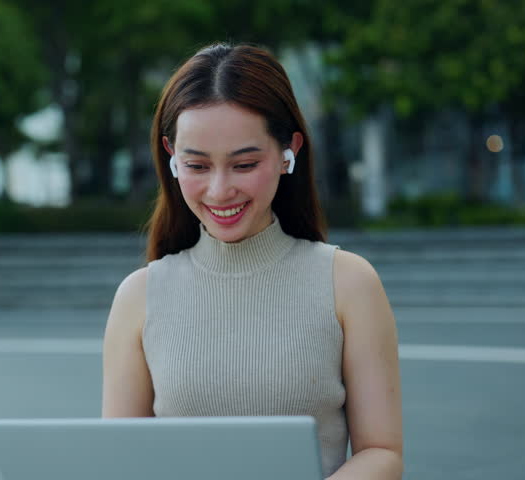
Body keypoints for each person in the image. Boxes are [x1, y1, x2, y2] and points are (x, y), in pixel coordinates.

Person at [102, 44, 402, 480]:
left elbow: (382, 452)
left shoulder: (348, 283)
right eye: (197, 165)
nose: (220, 190)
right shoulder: (139, 296)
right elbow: (122, 461)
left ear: (288, 152)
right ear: (171, 157)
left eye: (244, 164)